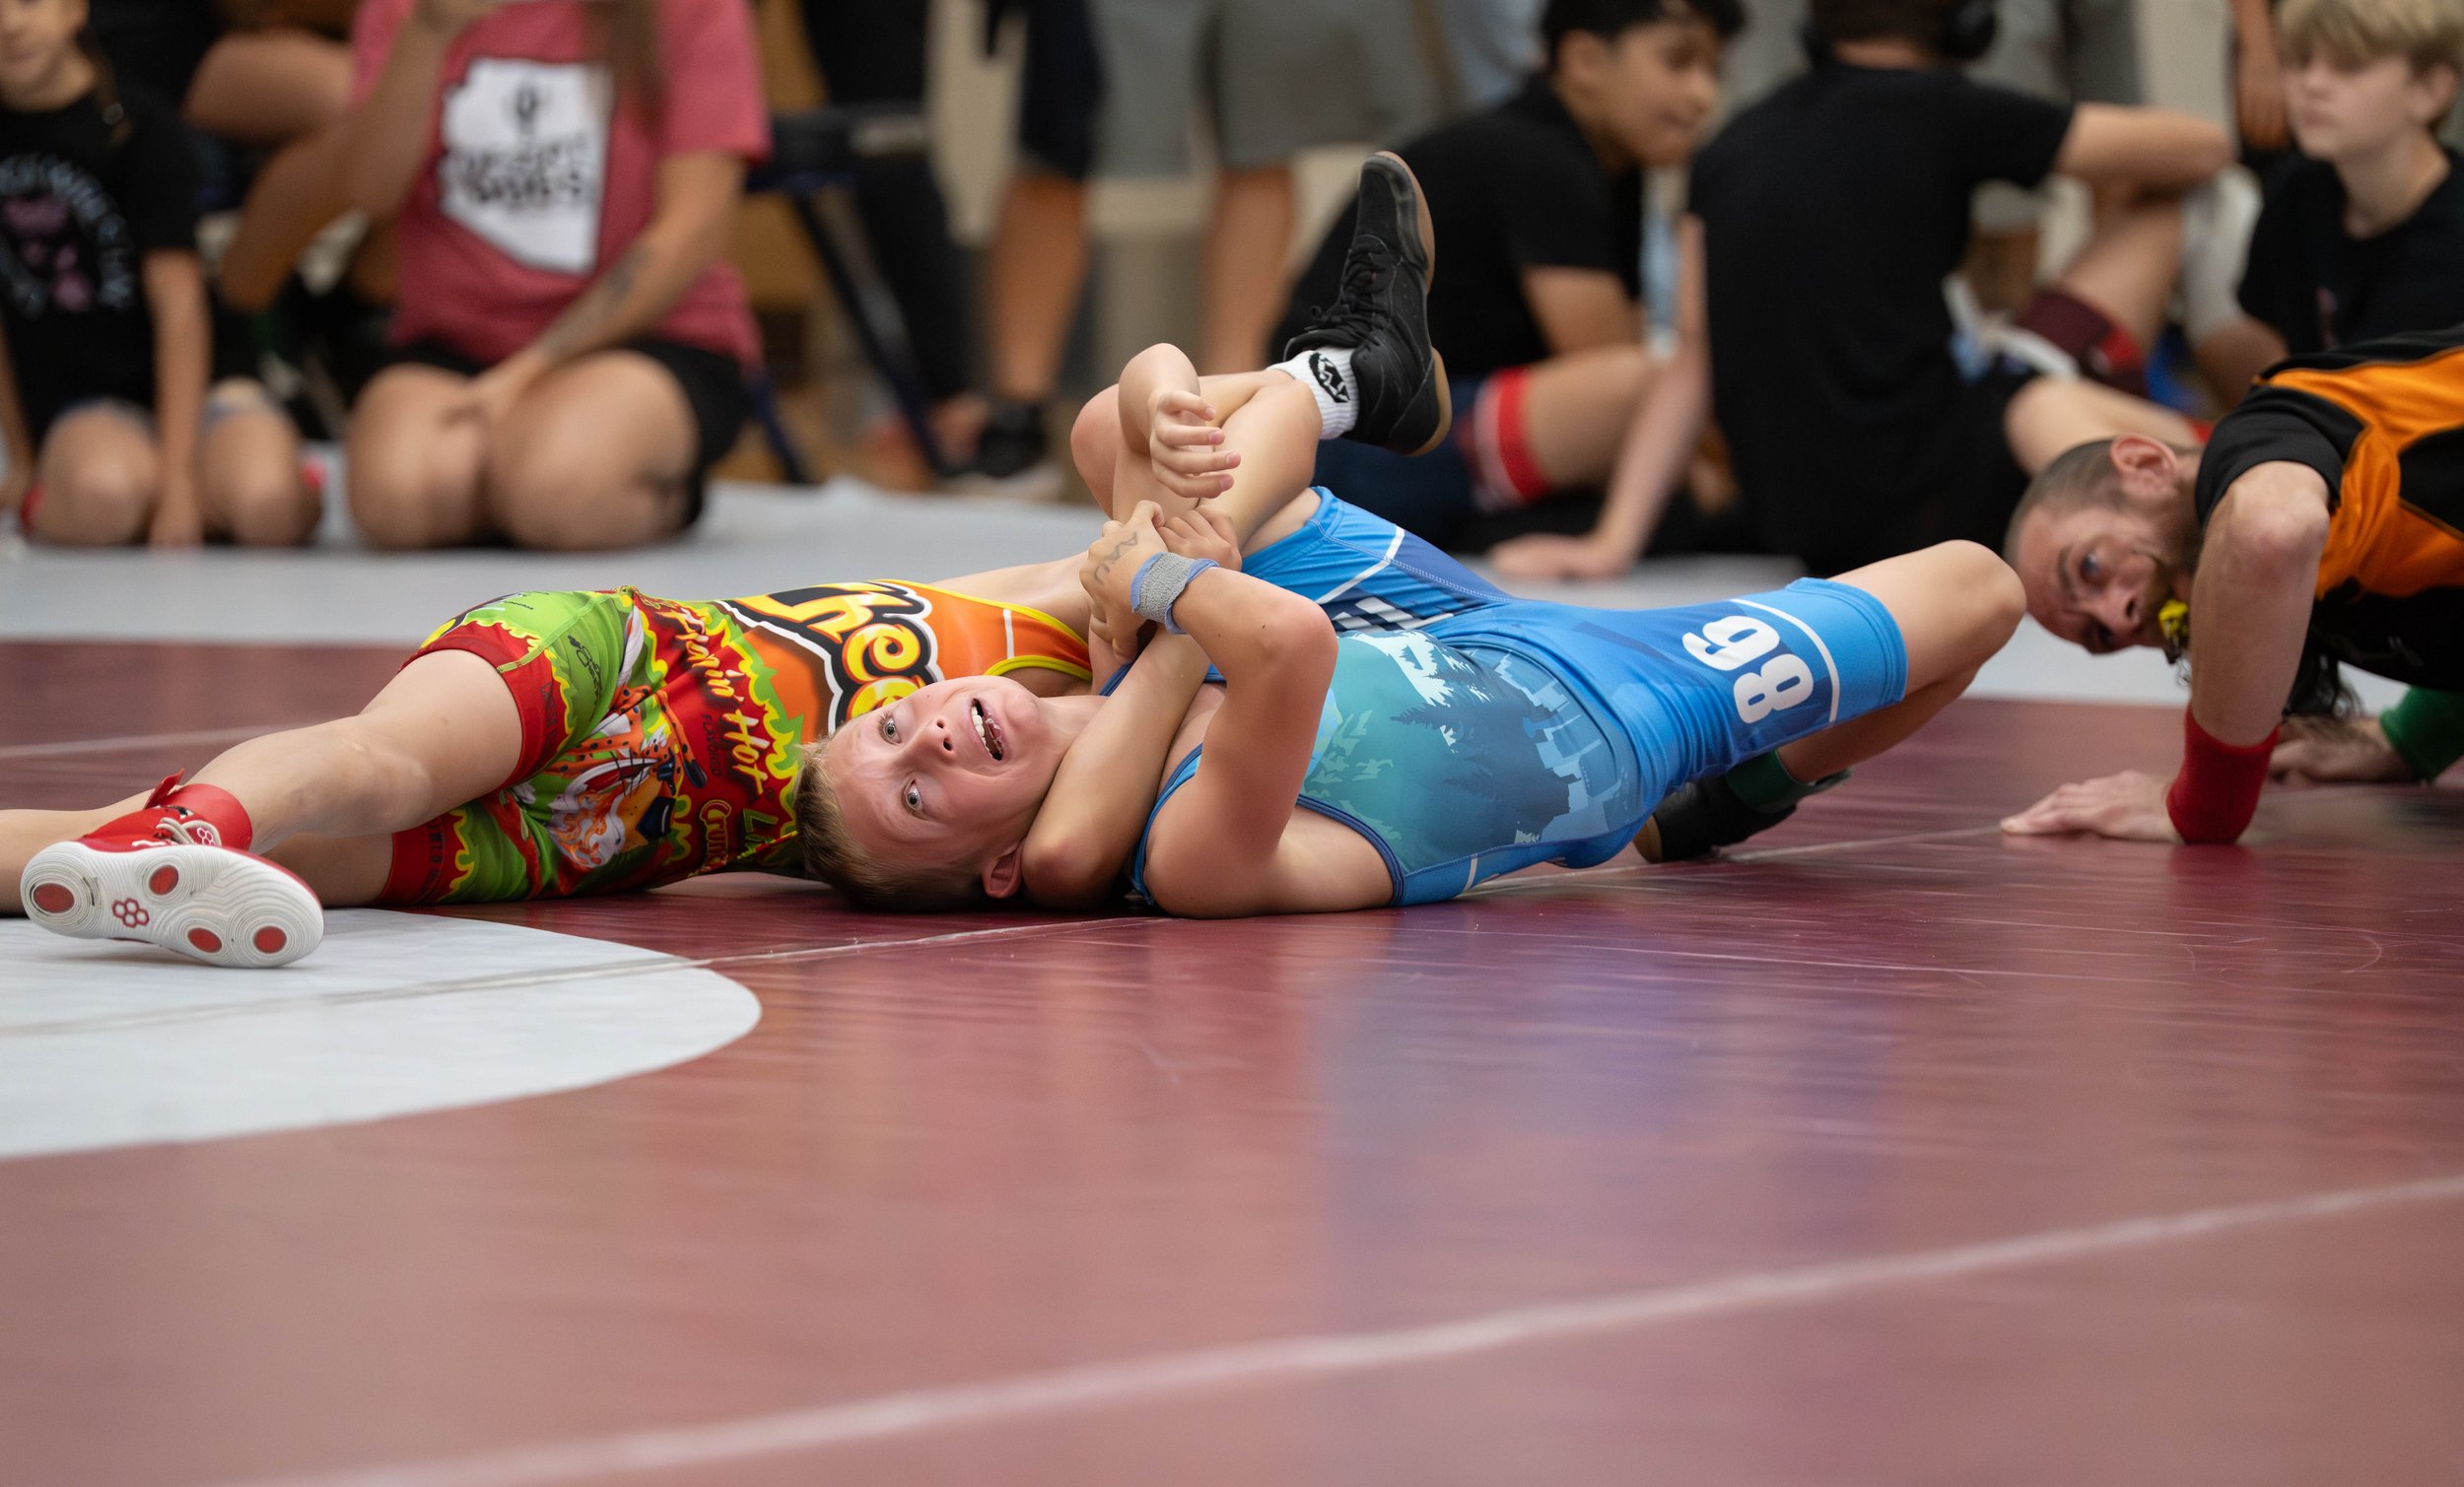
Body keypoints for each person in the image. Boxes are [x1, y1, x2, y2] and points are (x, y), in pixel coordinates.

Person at [5, 153, 1456, 965]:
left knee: (312, 855)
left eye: (918, 762)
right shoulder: (1078, 620)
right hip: (618, 659)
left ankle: (1346, 378)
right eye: (911, 738)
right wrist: (1162, 411)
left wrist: (1180, 540)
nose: (942, 730)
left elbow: (1126, 725)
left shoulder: (1065, 755)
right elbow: (1132, 444)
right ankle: (1345, 378)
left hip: (602, 843)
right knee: (378, 762)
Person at [796, 162, 2026, 918]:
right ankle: (1720, 802)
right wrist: (1161, 576)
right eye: (918, 795)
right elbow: (1282, 648)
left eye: (897, 726)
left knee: (1105, 435)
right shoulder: (1180, 857)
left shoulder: (1103, 678)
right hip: (1602, 717)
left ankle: (1345, 378)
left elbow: (1141, 427)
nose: (936, 742)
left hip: (1423, 634)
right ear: (994, 870)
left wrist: (1151, 407)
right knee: (1976, 592)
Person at [1663, 0, 2232, 578]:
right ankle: (2249, 447)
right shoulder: (1943, 108)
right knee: (2168, 208)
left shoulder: (1730, 142)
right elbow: (2203, 147)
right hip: (1933, 508)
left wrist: (1612, 541)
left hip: (1797, 528)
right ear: (1967, 20)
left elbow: (1692, 355)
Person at [1274, 0, 1742, 562]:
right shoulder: (1540, 156)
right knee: (1640, 393)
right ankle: (1495, 527)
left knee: (1672, 440)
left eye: (1714, 70)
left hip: (1375, 432)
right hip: (1343, 448)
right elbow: (1615, 367)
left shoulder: (1606, 163)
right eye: (1678, 63)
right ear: (1586, 59)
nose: (1702, 96)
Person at [2000, 321, 2464, 845]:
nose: (2116, 617)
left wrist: (2202, 803)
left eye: (2090, 567)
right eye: (2100, 637)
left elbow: (2270, 531)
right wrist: (2415, 737)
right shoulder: (2332, 582)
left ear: (2146, 466)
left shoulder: (2274, 428)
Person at [333, 0, 767, 551]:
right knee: (400, 499)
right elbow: (369, 194)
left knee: (557, 490)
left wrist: (529, 371)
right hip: (458, 339)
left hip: (646, 337)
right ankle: (504, 481)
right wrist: (426, 32)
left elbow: (692, 231)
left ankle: (655, 487)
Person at [0, 0, 312, 546]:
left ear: (74, 8)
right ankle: (116, 487)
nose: (10, 25)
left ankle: (246, 477)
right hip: (86, 398)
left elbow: (180, 309)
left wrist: (176, 482)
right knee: (103, 501)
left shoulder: (137, 127)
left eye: (28, 1)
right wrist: (23, 461)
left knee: (267, 506)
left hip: (202, 383)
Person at [2198, 0, 2464, 400]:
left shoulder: (2451, 238)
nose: (2312, 84)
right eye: (2300, 61)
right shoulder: (2299, 192)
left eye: (2350, 65)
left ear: (2431, 89)